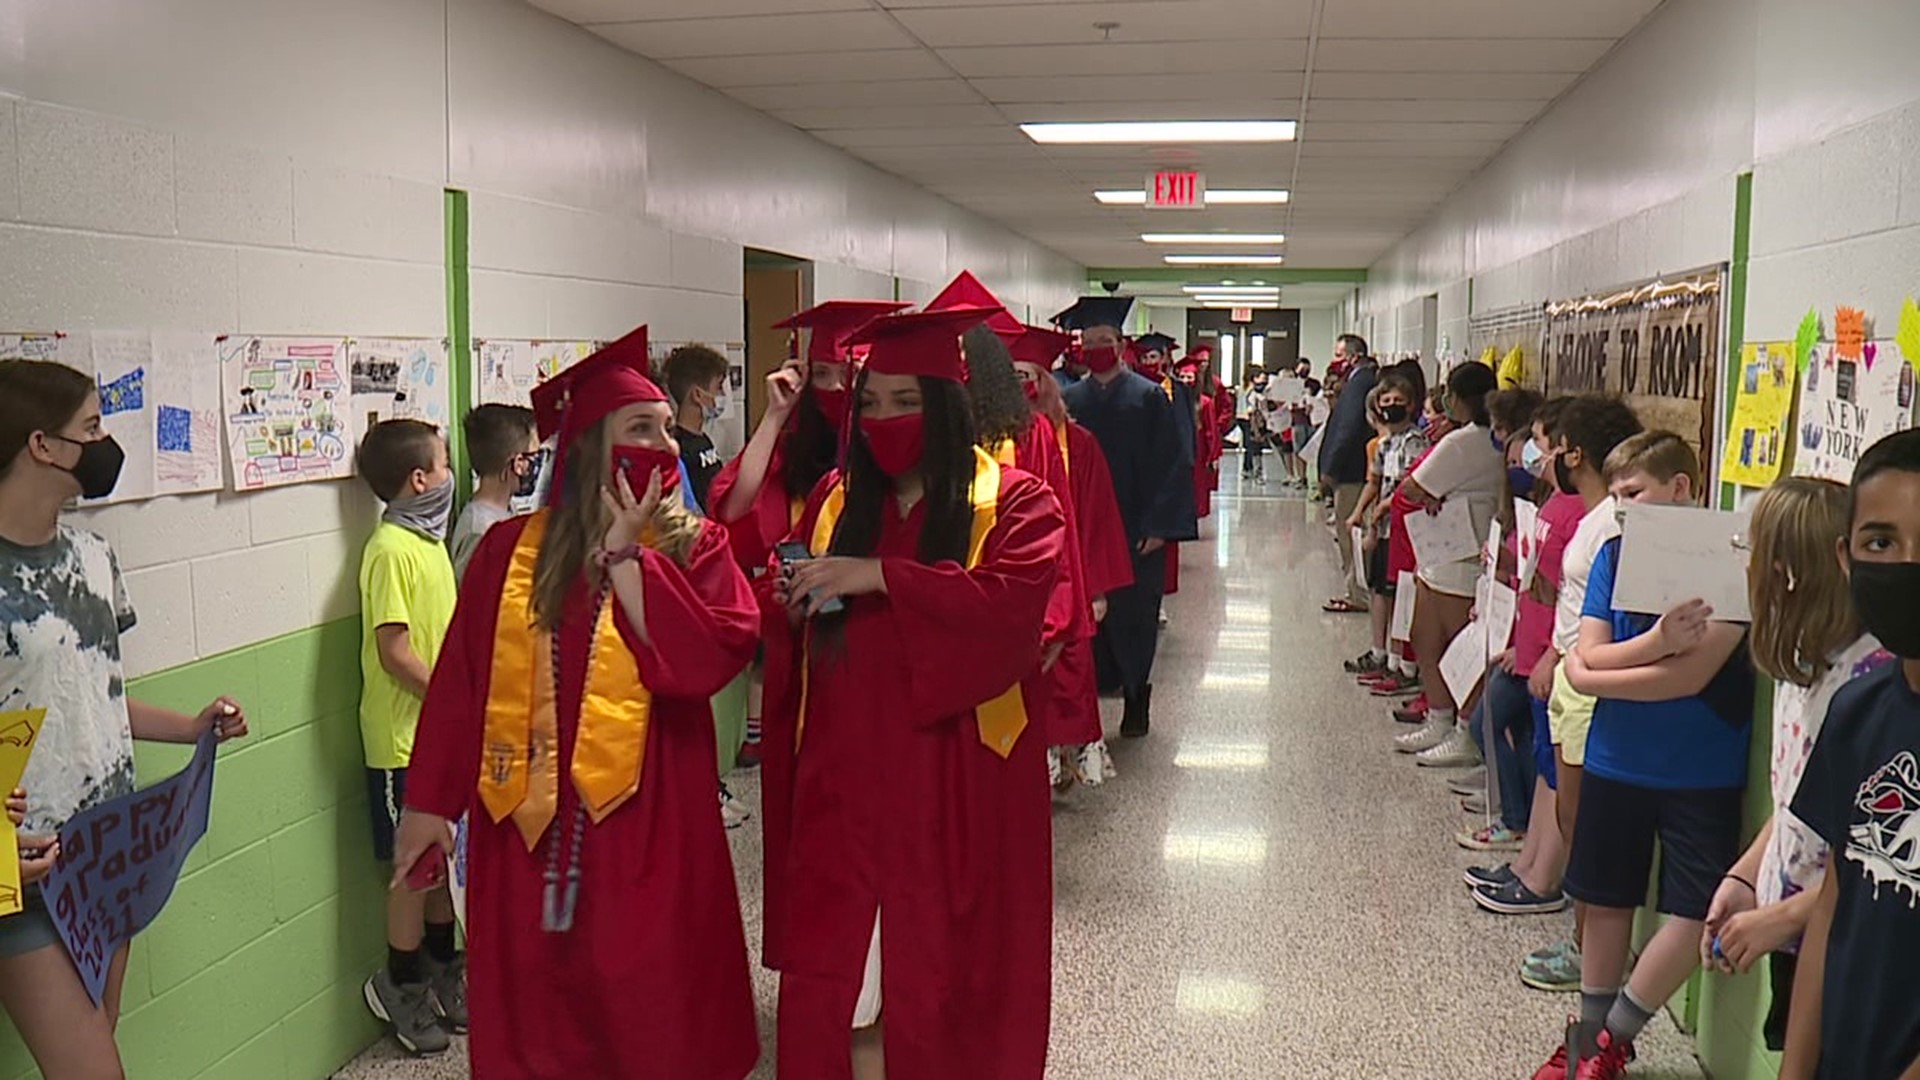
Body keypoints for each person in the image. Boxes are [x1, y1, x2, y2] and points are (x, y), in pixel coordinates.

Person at [390, 327, 762, 1079]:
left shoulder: (696, 547)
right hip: (526, 823)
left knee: (648, 1005)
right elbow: (462, 683)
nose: (661, 446)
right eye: (641, 429)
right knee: (543, 1014)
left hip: (651, 819)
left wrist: (632, 563)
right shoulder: (508, 552)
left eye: (665, 428)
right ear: (591, 446)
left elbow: (717, 651)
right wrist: (428, 804)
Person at [758, 305, 1065, 1079]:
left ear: (946, 408)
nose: (884, 420)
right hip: (844, 783)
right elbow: (805, 642)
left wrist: (882, 577)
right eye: (869, 403)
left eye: (907, 402)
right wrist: (790, 597)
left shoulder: (1017, 503)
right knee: (849, 986)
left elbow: (1009, 611)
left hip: (953, 783)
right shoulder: (837, 499)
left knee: (935, 979)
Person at [0, 359, 250, 1078]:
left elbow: (96, 695)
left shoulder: (95, 558)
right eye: (93, 429)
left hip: (105, 851)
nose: (107, 445)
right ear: (42, 445)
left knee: (99, 1041)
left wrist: (193, 725)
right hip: (27, 872)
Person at [1544, 432, 1754, 1080]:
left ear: (1681, 488)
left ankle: (1614, 1037)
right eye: (1616, 496)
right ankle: (1588, 1039)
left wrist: (1594, 674)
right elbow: (1592, 649)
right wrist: (1658, 639)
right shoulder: (1613, 554)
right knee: (1606, 899)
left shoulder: (1732, 557)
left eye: (1634, 493)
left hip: (1702, 766)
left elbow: (1688, 678)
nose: (1623, 507)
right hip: (1616, 757)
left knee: (1696, 908)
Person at [1699, 478, 1888, 1051]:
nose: (1746, 565)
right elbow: (1796, 804)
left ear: (1784, 570)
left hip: (1847, 943)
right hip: (1793, 929)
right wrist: (1746, 876)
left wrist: (1783, 918)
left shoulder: (1871, 688)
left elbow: (1878, 858)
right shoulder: (1804, 663)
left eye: (1751, 549)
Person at [1780, 429, 1920, 1080]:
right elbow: (1835, 903)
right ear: (1847, 557)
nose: (1906, 564)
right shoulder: (1857, 711)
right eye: (1881, 543)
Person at [1513, 395, 1643, 993]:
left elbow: (1598, 616)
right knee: (1573, 815)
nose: (1546, 456)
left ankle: (1589, 950)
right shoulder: (1593, 518)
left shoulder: (1611, 524)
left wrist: (1559, 658)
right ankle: (1583, 939)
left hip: (1585, 683)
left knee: (1586, 822)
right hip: (1569, 677)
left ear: (1576, 453)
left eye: (1556, 446)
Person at [354, 418, 465, 1055]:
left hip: (436, 736)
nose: (452, 477)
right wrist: (453, 701)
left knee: (440, 865)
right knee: (413, 873)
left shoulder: (428, 545)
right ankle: (397, 983)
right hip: (401, 741)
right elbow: (395, 651)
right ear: (419, 479)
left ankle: (443, 973)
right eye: (445, 464)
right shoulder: (391, 548)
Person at [1470, 397, 1589, 917]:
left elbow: (1568, 597)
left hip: (1554, 660)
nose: (1535, 454)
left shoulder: (1583, 517)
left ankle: (1543, 875)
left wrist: (1545, 653)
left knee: (1553, 767)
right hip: (1532, 649)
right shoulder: (1550, 504)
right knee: (1542, 761)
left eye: (1545, 444)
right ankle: (1527, 862)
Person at [1058, 298, 1198, 737]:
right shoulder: (1069, 400)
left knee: (1135, 616)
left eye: (1105, 341)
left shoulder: (1149, 396)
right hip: (1086, 526)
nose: (1096, 348)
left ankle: (1137, 696)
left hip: (1137, 525)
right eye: (1089, 342)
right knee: (1089, 620)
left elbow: (1172, 464)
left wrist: (1160, 528)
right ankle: (1095, 701)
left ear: (1121, 345)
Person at [1011, 324, 1132, 788]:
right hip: (1014, 584)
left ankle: (1063, 759)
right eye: (1010, 376)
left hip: (1067, 578)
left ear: (1046, 381)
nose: (1023, 387)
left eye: (1028, 374)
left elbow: (1097, 519)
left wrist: (1095, 588)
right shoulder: (988, 442)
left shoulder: (1077, 445)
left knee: (1067, 673)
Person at [711, 299, 909, 572]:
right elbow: (734, 510)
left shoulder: (896, 444)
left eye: (848, 373)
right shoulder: (796, 446)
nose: (835, 386)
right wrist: (775, 413)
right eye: (821, 373)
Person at [1391, 362, 1505, 768]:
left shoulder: (1465, 442)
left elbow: (1412, 486)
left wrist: (1429, 492)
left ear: (1456, 399)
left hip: (1461, 552)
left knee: (1456, 647)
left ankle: (1462, 729)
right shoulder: (1480, 439)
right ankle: (1440, 718)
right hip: (1444, 551)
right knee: (1425, 636)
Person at [1347, 372, 1427, 684]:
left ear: (1411, 406)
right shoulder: (1385, 444)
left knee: (1398, 594)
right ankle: (1378, 651)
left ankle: (1398, 660)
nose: (1391, 407)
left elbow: (1412, 486)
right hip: (1381, 528)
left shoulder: (1414, 442)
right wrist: (1359, 513)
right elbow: (1375, 481)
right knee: (1378, 589)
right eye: (1386, 402)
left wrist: (1386, 506)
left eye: (1398, 402)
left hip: (1404, 531)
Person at [1318, 335, 1377, 612]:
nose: (1336, 361)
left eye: (1340, 355)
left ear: (1353, 356)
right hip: (1354, 470)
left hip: (1351, 472)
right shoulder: (1358, 381)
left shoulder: (1360, 383)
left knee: (1349, 531)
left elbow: (1348, 428)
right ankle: (1354, 589)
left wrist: (1331, 469)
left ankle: (1357, 593)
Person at [452, 404, 538, 581]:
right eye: (533, 456)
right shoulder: (479, 529)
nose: (537, 464)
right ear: (518, 463)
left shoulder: (507, 508)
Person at [662, 343, 732, 513]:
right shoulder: (679, 448)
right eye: (718, 387)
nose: (722, 395)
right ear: (698, 395)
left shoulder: (703, 440)